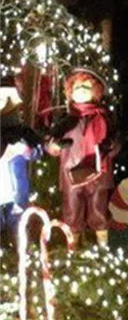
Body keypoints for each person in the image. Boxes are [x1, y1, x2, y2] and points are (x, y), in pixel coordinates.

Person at [46, 68, 119, 247]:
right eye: (77, 87)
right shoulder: (66, 120)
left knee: (99, 209)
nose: (82, 90)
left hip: (98, 172)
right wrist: (56, 145)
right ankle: (73, 247)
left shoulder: (104, 118)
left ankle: (102, 246)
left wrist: (111, 146)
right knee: (72, 211)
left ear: (95, 91)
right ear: (70, 92)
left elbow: (117, 141)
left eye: (86, 87)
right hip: (72, 174)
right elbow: (49, 144)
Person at [0, 74, 41, 242]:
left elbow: (37, 149)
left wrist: (28, 150)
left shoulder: (21, 131)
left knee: (17, 222)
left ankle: (17, 243)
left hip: (17, 190)